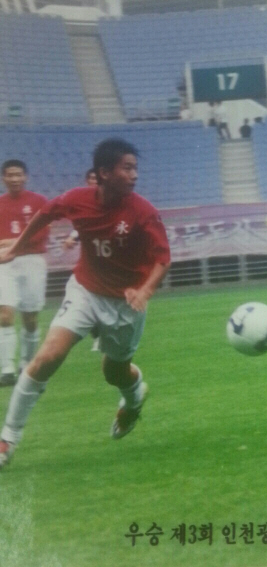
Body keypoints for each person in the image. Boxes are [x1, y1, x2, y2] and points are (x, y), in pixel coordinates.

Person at [0, 138, 171, 469]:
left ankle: (134, 398)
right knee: (48, 356)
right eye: (127, 168)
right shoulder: (78, 200)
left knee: (114, 372)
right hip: (85, 292)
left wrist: (145, 291)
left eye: (135, 168)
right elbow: (47, 213)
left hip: (125, 304)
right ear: (104, 173)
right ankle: (8, 439)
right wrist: (17, 247)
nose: (134, 175)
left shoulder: (143, 212)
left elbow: (163, 259)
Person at [0, 160, 49, 387]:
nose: (14, 179)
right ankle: (7, 368)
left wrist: (10, 242)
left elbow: (41, 235)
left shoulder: (38, 202)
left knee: (30, 318)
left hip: (32, 262)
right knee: (5, 315)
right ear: (4, 178)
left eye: (18, 174)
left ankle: (27, 363)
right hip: (5, 263)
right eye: (10, 175)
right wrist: (16, 243)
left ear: (26, 176)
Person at [62, 168, 100, 351]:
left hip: (110, 264)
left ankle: (102, 335)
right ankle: (98, 335)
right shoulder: (84, 203)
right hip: (90, 263)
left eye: (97, 178)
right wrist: (72, 237)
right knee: (85, 299)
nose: (95, 181)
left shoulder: (111, 201)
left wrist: (73, 237)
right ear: (87, 181)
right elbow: (82, 224)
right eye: (91, 178)